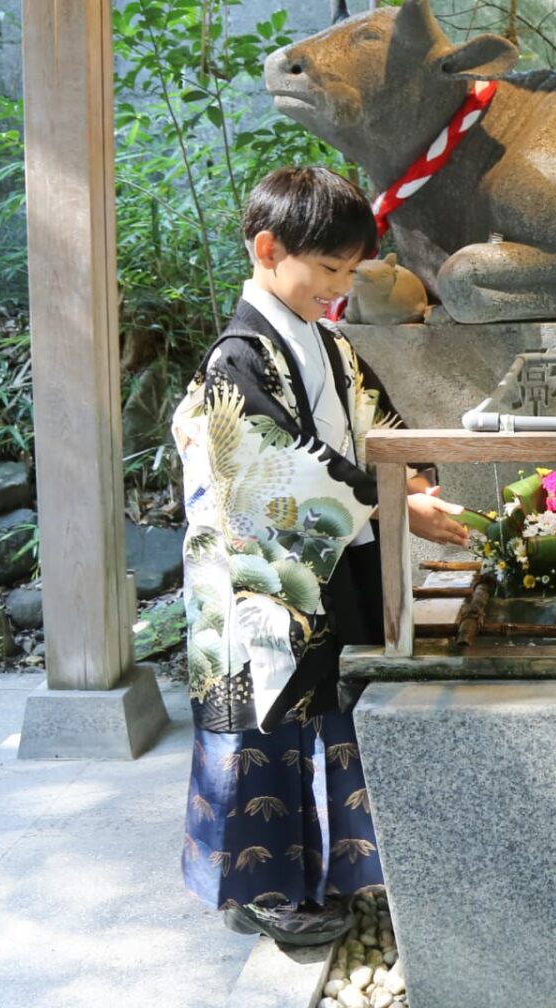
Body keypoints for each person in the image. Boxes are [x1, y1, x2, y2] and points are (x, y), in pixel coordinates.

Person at [171, 166, 468, 945]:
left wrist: (414, 479)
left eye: (348, 271)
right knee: (264, 724)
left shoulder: (324, 341)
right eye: (327, 270)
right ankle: (261, 893)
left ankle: (333, 871)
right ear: (268, 250)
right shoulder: (237, 357)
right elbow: (278, 467)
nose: (338, 288)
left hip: (325, 569)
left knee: (331, 712)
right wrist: (395, 498)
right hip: (259, 589)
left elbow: (381, 426)